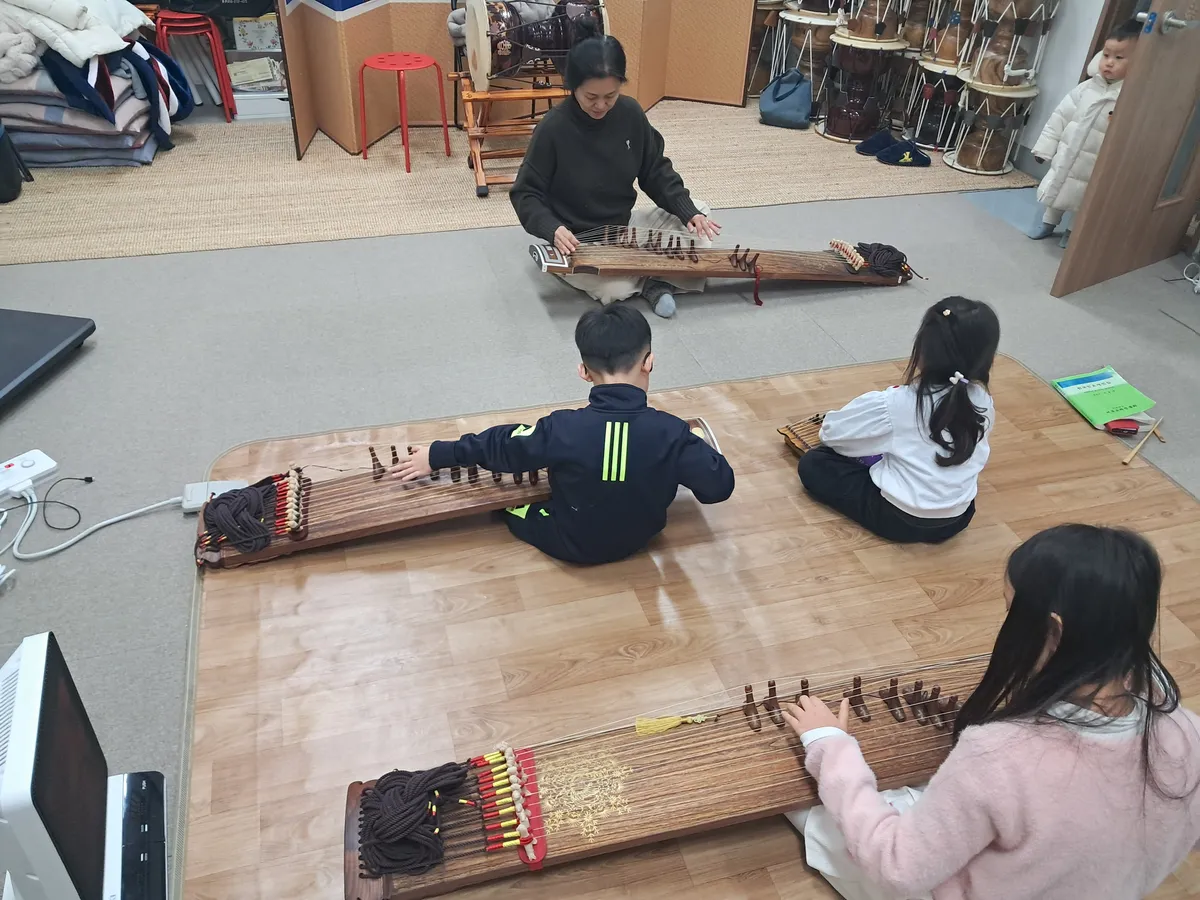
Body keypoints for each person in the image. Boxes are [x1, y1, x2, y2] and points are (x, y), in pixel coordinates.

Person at [781, 524, 1200, 900]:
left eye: (1010, 610)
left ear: (1053, 632)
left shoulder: (999, 755)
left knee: (815, 813)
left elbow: (897, 867)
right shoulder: (1187, 732)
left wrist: (830, 746)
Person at [390, 305, 734, 564]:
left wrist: (437, 455)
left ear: (583, 372)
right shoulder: (672, 433)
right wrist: (688, 450)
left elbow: (504, 445)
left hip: (571, 543)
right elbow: (719, 487)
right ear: (649, 362)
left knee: (509, 506)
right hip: (642, 538)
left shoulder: (562, 428)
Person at [510, 25, 721, 319]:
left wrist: (687, 212)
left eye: (610, 96)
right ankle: (659, 278)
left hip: (622, 229)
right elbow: (526, 193)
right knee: (615, 289)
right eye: (590, 97)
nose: (600, 105)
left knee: (701, 220)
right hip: (577, 241)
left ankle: (653, 280)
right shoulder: (554, 128)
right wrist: (552, 229)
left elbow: (654, 170)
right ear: (573, 87)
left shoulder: (631, 114)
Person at [797, 296, 999, 543]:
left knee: (814, 463)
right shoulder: (983, 400)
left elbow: (831, 434)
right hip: (959, 516)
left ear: (923, 349)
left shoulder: (897, 402)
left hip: (899, 520)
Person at [1029, 23, 1139, 247]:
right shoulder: (1086, 88)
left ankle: (1071, 232)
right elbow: (1060, 117)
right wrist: (1044, 148)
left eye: (1119, 58)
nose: (1109, 62)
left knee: (1085, 199)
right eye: (1106, 55)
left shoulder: (1129, 97)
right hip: (1069, 155)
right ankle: (1048, 223)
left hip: (1096, 163)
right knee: (1058, 188)